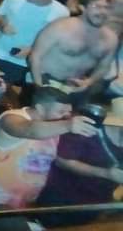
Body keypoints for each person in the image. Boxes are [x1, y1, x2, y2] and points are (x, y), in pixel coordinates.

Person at [0, 87, 97, 209]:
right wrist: (67, 125)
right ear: (40, 108)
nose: (66, 116)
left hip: (17, 206)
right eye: (61, 111)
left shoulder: (55, 126)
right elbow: (30, 131)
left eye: (68, 112)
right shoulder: (11, 118)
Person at [35, 97, 123, 226]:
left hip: (95, 202)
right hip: (63, 199)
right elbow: (62, 160)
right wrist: (106, 173)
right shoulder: (86, 128)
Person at [28, 0, 118, 94]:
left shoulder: (110, 38)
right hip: (44, 79)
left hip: (73, 87)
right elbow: (35, 56)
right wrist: (39, 86)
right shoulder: (60, 27)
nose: (102, 12)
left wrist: (88, 82)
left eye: (106, 8)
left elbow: (104, 66)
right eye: (96, 7)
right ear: (82, 8)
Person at [0, 0, 70, 86]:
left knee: (1, 90)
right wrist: (4, 25)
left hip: (23, 62)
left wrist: (32, 50)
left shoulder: (61, 12)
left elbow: (57, 41)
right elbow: (0, 13)